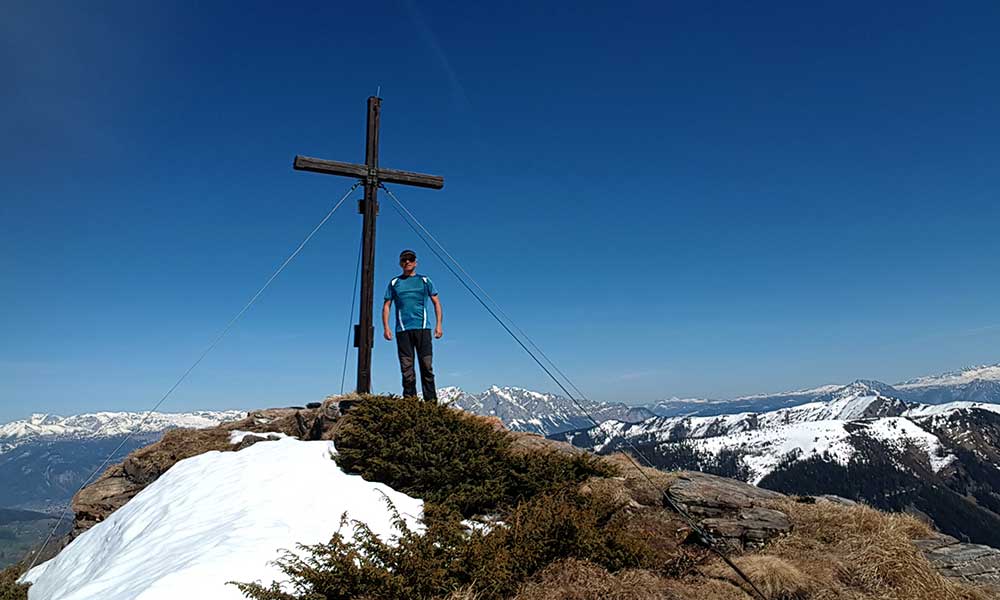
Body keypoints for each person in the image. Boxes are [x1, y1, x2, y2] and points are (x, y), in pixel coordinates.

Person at [382, 249, 443, 401]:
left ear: (416, 262)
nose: (407, 262)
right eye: (404, 260)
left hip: (423, 329)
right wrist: (386, 328)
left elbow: (436, 303)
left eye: (410, 259)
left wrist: (439, 325)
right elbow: (387, 305)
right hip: (403, 331)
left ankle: (431, 404)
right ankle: (410, 403)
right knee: (407, 369)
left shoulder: (425, 281)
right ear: (400, 263)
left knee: (426, 367)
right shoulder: (395, 283)